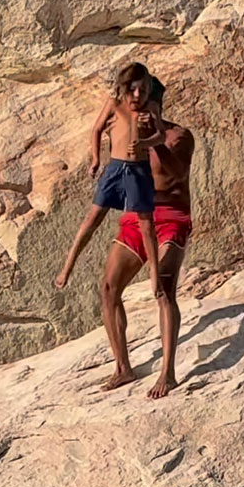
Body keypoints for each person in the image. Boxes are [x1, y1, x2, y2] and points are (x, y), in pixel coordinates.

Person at [100, 77, 194, 396]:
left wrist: (152, 140)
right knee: (109, 288)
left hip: (171, 217)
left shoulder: (179, 136)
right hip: (137, 217)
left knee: (163, 288)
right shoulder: (127, 133)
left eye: (146, 102)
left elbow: (176, 172)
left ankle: (167, 373)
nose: (138, 107)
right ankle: (123, 368)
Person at [55, 62, 166, 298]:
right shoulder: (115, 105)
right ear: (124, 89)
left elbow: (161, 135)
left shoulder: (151, 108)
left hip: (139, 170)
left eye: (143, 91)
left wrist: (146, 141)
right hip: (116, 168)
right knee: (93, 217)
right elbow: (96, 129)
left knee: (146, 224)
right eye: (133, 90)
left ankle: (154, 273)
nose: (138, 96)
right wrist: (96, 159)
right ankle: (68, 265)